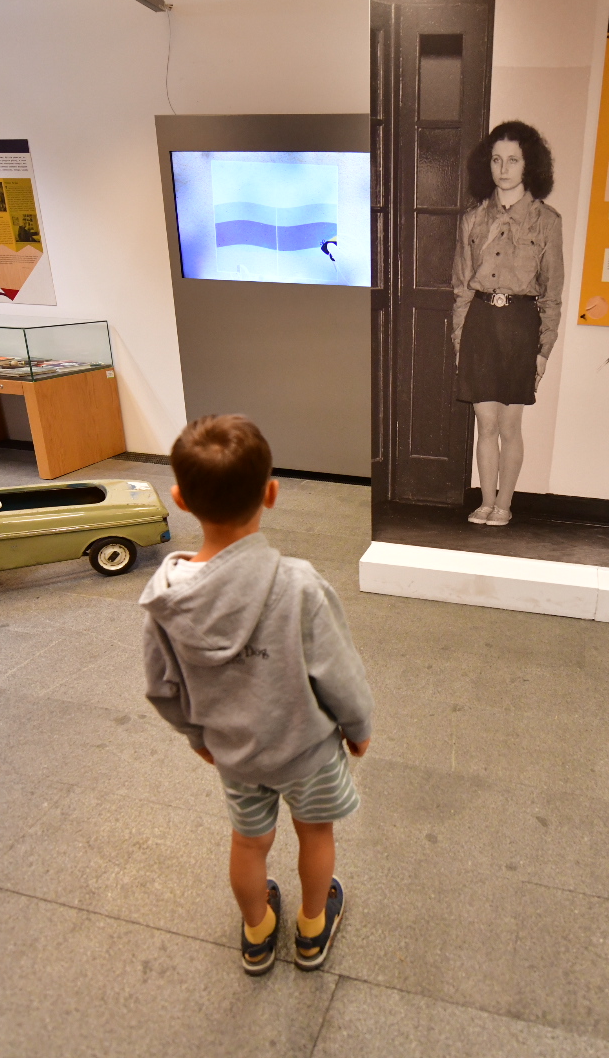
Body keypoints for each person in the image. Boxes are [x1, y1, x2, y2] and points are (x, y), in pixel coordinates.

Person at [140, 415, 374, 975]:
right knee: (316, 835)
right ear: (271, 493)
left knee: (249, 845)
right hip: (309, 753)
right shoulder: (300, 586)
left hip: (236, 756)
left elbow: (160, 686)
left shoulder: (165, 600)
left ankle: (257, 931)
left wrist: (199, 737)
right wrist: (358, 726)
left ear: (179, 498)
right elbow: (338, 672)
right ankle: (312, 931)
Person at [452, 121, 564, 526]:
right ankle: (485, 501)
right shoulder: (472, 219)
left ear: (528, 165)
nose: (504, 168)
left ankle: (505, 503)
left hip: (521, 325)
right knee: (485, 421)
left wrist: (543, 350)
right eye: (497, 160)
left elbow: (552, 293)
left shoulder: (546, 221)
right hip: (481, 322)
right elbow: (462, 287)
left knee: (510, 422)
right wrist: (460, 340)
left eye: (513, 160)